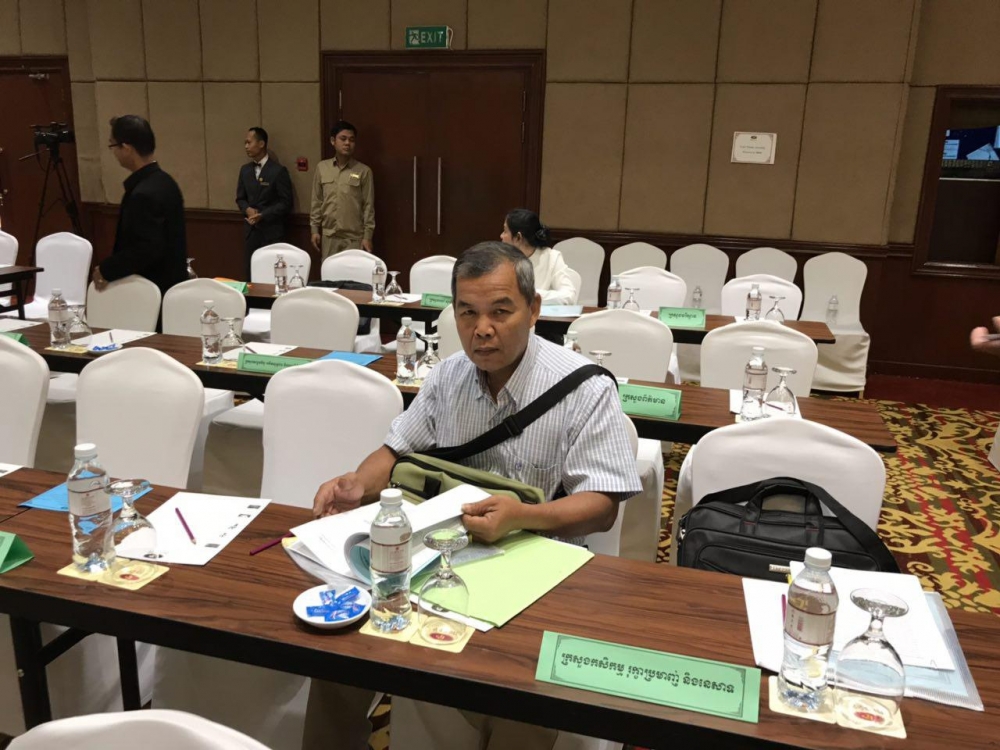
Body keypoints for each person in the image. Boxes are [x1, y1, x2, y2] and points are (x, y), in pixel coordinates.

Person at [304, 241, 641, 750]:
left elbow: (602, 505)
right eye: (468, 313)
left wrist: (522, 516)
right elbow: (395, 450)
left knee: (520, 692)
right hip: (443, 554)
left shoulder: (584, 388)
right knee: (339, 656)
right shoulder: (448, 376)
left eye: (500, 312)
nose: (482, 329)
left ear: (534, 310)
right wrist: (358, 483)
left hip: (538, 565)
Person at [92, 115, 187, 296]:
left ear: (126, 148)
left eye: (113, 146)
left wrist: (107, 269)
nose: (113, 153)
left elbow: (146, 249)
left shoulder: (143, 194)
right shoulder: (166, 182)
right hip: (170, 287)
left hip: (151, 291)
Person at [309, 120, 374, 259]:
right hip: (329, 237)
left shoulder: (363, 171)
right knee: (329, 272)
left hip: (354, 238)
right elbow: (316, 201)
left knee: (353, 272)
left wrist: (367, 236)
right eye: (343, 139)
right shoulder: (322, 168)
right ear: (333, 141)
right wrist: (314, 230)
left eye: (351, 140)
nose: (347, 143)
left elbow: (368, 206)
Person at [236, 126, 292, 279]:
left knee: (271, 276)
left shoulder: (278, 171)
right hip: (251, 232)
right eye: (245, 143)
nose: (246, 146)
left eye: (249, 142)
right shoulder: (245, 170)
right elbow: (240, 198)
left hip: (271, 232)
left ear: (261, 144)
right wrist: (247, 209)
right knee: (251, 276)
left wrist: (263, 215)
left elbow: (286, 203)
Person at [500, 208, 577, 305]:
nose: (501, 236)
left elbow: (569, 296)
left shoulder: (552, 257)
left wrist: (529, 295)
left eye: (505, 231)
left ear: (518, 237)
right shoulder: (501, 259)